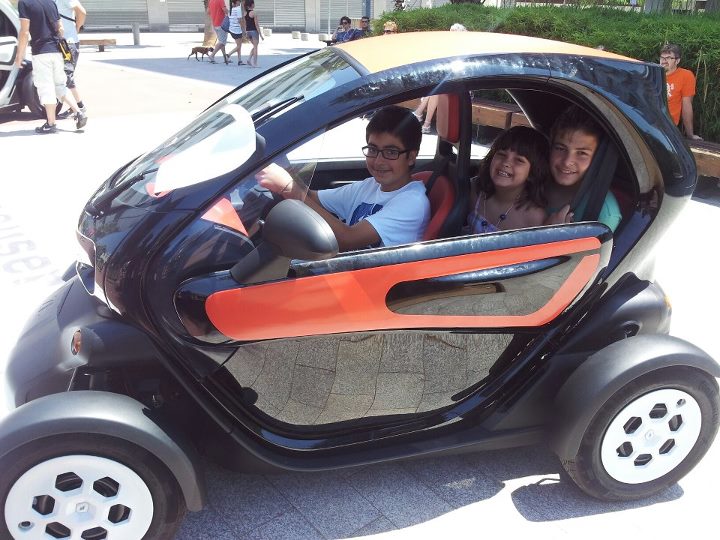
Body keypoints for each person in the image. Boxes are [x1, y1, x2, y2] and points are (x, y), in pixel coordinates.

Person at [257, 106, 430, 251]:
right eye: (373, 149)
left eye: (391, 152)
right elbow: (312, 198)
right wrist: (285, 169)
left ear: (411, 157)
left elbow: (348, 238)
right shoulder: (370, 186)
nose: (378, 161)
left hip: (371, 284)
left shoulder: (412, 203)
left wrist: (287, 187)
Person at [544, 105, 622, 231]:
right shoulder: (534, 181)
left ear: (597, 158)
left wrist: (549, 235)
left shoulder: (603, 211)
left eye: (581, 153)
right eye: (560, 148)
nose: (567, 161)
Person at [14, 0, 87, 133]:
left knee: (45, 87)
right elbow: (61, 28)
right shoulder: (50, 2)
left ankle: (51, 123)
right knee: (59, 85)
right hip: (57, 50)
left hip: (41, 52)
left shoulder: (24, 3)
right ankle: (79, 112)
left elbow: (24, 32)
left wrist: (19, 56)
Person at [467, 126, 548, 234]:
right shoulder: (475, 190)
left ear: (532, 173)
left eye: (519, 160)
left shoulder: (534, 217)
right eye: (501, 154)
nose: (506, 163)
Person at [413, 23, 466, 134]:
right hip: (446, 85)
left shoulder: (463, 51)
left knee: (437, 90)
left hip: (462, 88)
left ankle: (420, 115)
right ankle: (425, 123)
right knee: (437, 91)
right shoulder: (449, 49)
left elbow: (460, 72)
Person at [660, 43, 702, 140]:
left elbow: (686, 105)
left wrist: (690, 134)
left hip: (668, 127)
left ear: (677, 61)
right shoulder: (651, 73)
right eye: (662, 58)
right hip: (647, 124)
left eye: (669, 58)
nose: (664, 61)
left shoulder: (685, 76)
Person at [54, 0, 86, 120]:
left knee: (66, 76)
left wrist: (77, 27)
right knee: (64, 76)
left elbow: (82, 12)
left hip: (69, 43)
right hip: (61, 43)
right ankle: (77, 107)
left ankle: (79, 107)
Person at [207, 0, 229, 64]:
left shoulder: (211, 1)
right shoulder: (221, 0)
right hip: (221, 24)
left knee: (221, 42)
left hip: (215, 24)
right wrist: (229, 13)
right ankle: (212, 55)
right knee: (222, 42)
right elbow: (225, 10)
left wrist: (214, 14)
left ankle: (225, 59)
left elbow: (208, 12)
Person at [225, 0, 245, 65]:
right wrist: (244, 30)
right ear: (236, 2)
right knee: (239, 46)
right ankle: (228, 55)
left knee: (238, 45)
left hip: (232, 29)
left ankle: (239, 60)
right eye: (239, 1)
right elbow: (240, 21)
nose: (240, 2)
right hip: (237, 30)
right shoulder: (238, 9)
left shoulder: (233, 9)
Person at [243, 0, 262, 68]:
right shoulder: (254, 13)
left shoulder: (245, 13)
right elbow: (256, 24)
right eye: (253, 3)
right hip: (254, 31)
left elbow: (245, 24)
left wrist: (245, 33)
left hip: (248, 31)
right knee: (256, 47)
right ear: (251, 4)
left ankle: (249, 59)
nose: (254, 4)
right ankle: (255, 63)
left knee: (254, 46)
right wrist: (261, 34)